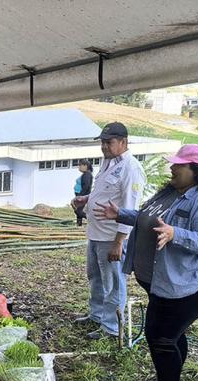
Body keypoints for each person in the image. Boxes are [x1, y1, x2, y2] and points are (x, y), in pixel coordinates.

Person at [93, 144, 198, 381]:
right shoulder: (170, 193)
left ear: (196, 170)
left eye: (179, 165)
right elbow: (150, 219)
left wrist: (175, 234)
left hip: (188, 285)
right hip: (161, 281)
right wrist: (121, 214)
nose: (173, 168)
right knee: (173, 334)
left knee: (161, 337)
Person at [72, 123, 145, 339]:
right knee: (95, 277)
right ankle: (97, 315)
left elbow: (130, 207)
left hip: (112, 237)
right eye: (102, 142)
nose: (104, 146)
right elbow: (105, 192)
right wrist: (87, 199)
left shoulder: (131, 168)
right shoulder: (108, 162)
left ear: (123, 142)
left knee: (113, 283)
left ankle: (112, 327)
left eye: (109, 142)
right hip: (96, 233)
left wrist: (119, 242)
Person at [71, 159, 94, 227]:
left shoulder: (87, 174)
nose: (79, 167)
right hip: (80, 194)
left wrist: (80, 196)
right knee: (78, 210)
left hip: (82, 195)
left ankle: (91, 220)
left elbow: (86, 186)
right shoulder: (85, 174)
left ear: (85, 166)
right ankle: (79, 224)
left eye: (80, 165)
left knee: (78, 211)